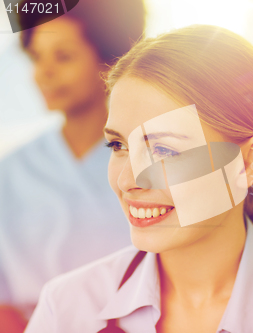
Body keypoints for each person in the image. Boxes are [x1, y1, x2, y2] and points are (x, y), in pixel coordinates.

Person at [24, 25, 253, 333]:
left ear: (251, 161)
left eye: (163, 150)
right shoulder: (65, 310)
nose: (128, 179)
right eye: (117, 145)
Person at [0, 0, 145, 329]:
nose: (44, 73)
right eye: (36, 57)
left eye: (63, 56)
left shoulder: (151, 163)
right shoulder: (10, 173)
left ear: (110, 60)